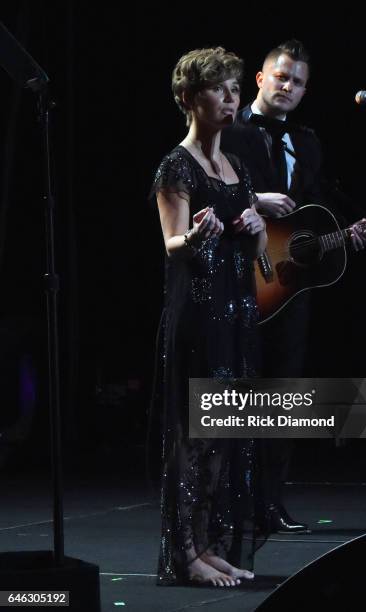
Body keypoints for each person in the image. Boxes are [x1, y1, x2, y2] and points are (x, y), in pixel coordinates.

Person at [222, 38, 366, 534]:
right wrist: (253, 198)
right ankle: (229, 503)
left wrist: (343, 235)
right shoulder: (227, 129)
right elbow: (196, 189)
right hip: (235, 278)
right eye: (282, 77)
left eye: (299, 82)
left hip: (288, 285)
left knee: (282, 396)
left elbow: (309, 214)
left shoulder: (307, 142)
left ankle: (271, 503)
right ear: (261, 79)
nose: (289, 87)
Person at [150, 47, 268, 587]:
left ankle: (211, 544)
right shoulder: (176, 165)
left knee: (223, 433)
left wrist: (254, 224)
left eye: (234, 88)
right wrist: (194, 237)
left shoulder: (236, 166)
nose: (230, 96)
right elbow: (173, 241)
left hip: (235, 313)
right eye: (217, 88)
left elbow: (262, 252)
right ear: (187, 99)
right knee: (192, 437)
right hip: (198, 313)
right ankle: (186, 552)